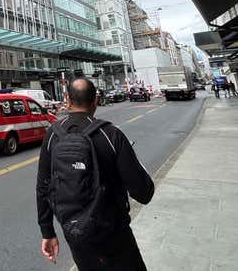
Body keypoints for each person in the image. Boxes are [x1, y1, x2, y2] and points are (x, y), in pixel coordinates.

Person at [36, 78, 154, 270]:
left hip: (75, 236)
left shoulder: (52, 135)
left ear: (67, 102)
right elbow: (143, 192)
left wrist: (47, 232)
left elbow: (43, 187)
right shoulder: (111, 134)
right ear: (95, 102)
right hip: (114, 236)